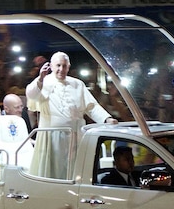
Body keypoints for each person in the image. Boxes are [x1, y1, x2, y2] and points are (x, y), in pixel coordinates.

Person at [25, 51, 117, 179]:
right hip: (53, 137)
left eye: (64, 66)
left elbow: (91, 106)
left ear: (68, 67)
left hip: (76, 135)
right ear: (51, 66)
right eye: (58, 65)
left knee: (76, 171)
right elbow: (31, 95)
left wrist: (106, 119)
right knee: (55, 172)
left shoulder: (77, 84)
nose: (61, 69)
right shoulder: (43, 82)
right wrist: (40, 79)